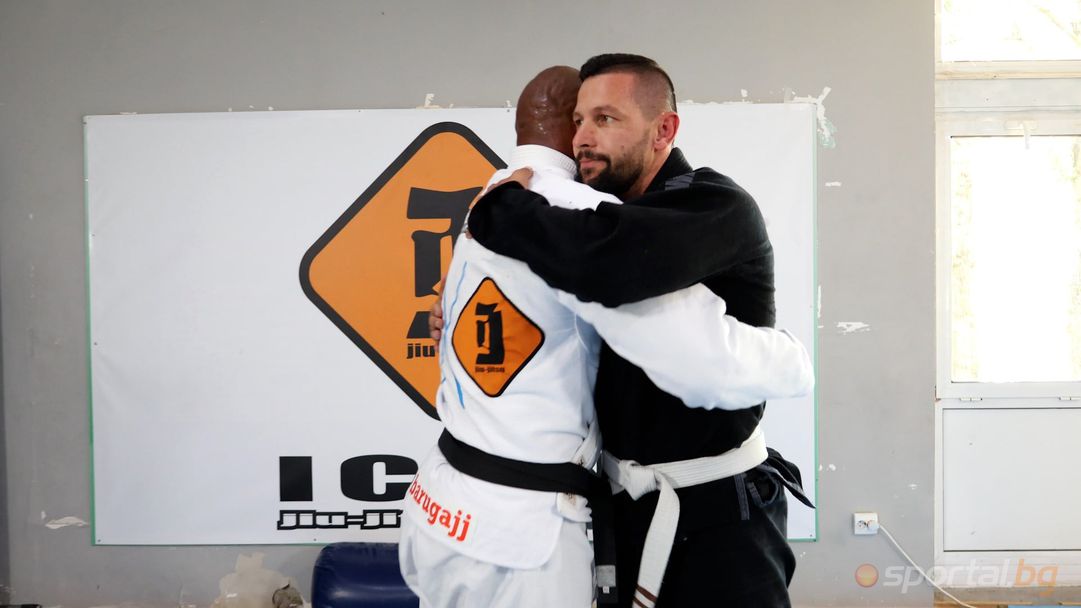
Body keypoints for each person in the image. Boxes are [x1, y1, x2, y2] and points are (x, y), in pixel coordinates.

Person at [400, 65, 813, 608]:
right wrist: (457, 307)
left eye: (606, 119)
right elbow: (572, 267)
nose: (583, 138)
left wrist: (501, 207)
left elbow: (606, 267)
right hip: (623, 503)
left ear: (664, 130)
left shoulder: (712, 205)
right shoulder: (588, 215)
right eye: (577, 121)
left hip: (718, 513)